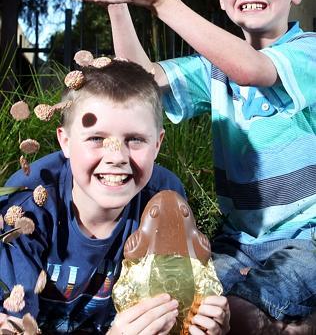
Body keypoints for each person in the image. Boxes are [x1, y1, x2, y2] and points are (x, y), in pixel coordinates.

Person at [46, 0, 316, 333]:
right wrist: (118, 4)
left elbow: (252, 69)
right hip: (238, 241)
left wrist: (163, 0)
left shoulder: (307, 52)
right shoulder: (214, 70)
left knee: (242, 315)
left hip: (306, 238)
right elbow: (142, 85)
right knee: (193, 309)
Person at [0, 60, 230, 334]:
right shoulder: (27, 206)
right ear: (66, 141)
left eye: (135, 139)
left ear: (157, 144)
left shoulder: (164, 201)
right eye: (97, 138)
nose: (117, 157)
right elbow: (11, 326)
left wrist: (202, 320)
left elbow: (173, 307)